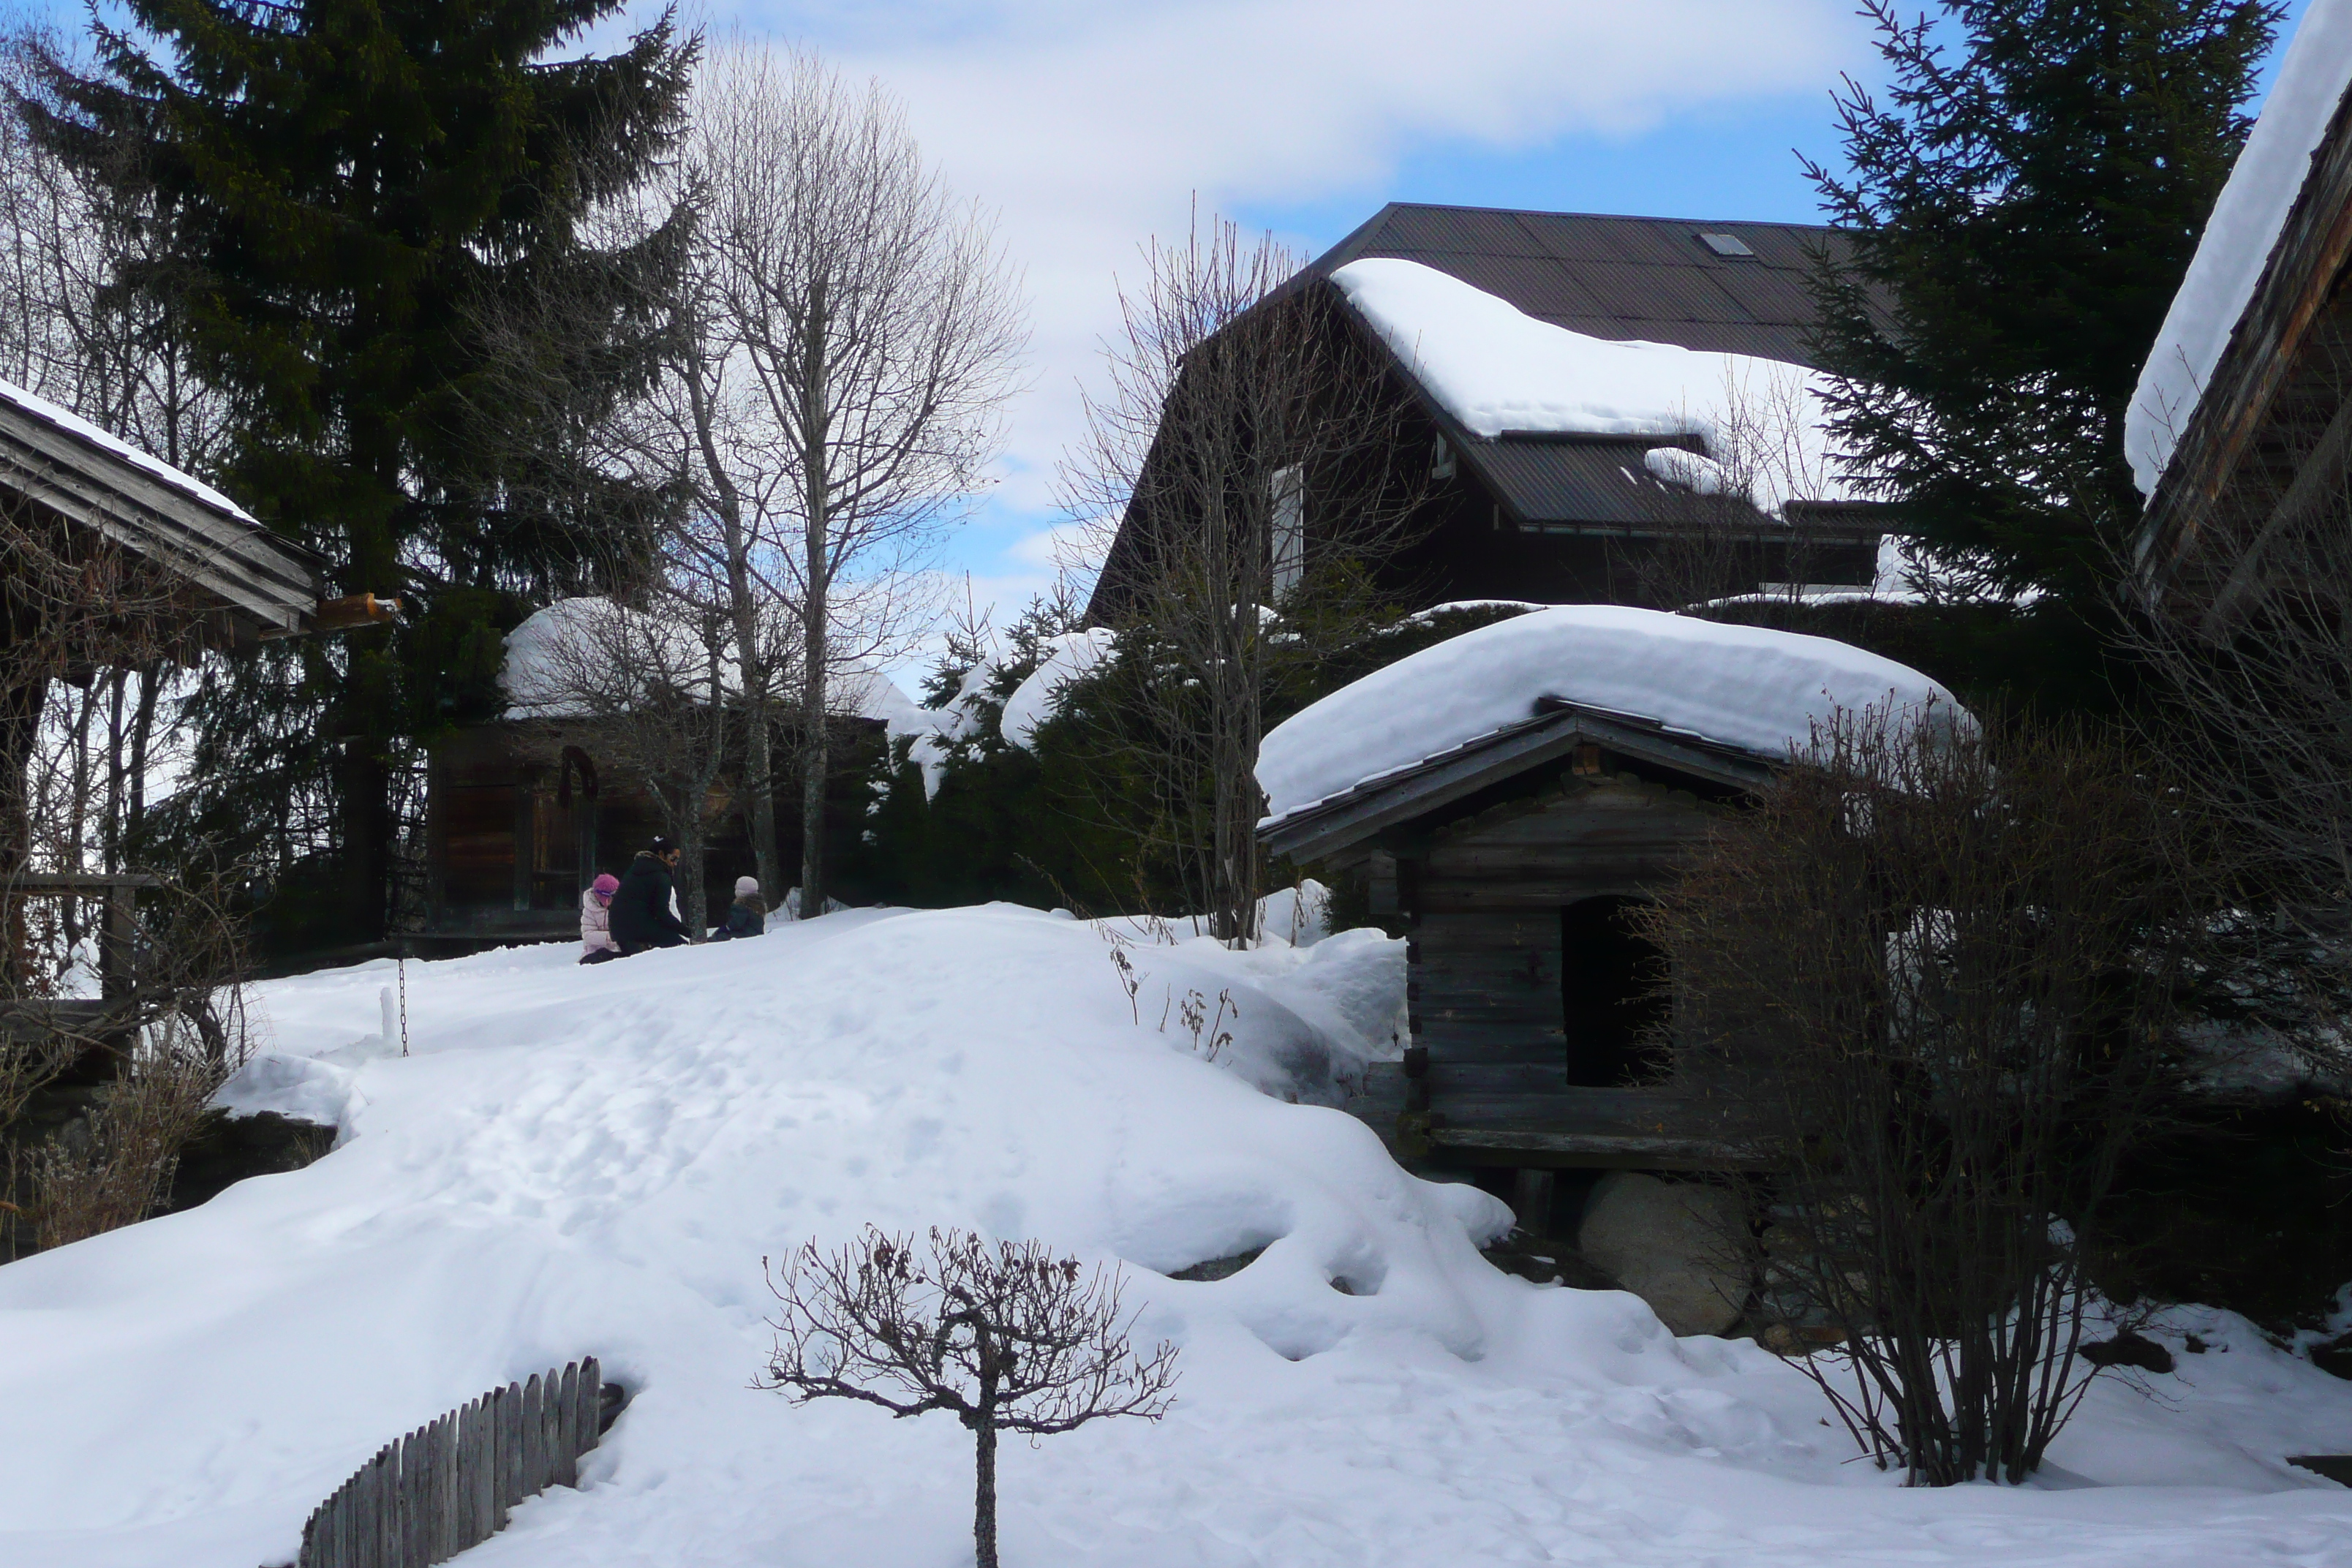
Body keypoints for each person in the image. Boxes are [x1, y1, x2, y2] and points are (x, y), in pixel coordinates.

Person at [610, 837, 692, 954]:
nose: (674, 864)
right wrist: (688, 932)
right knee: (680, 948)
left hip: (618, 929)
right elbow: (662, 914)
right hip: (637, 927)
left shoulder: (636, 868)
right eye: (673, 859)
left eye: (677, 861)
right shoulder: (661, 877)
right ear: (661, 854)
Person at [578, 872, 622, 965]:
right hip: (595, 951)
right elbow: (588, 935)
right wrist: (609, 937)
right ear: (603, 898)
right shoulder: (590, 911)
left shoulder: (618, 908)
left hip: (616, 949)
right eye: (612, 897)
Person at [709, 875, 766, 941]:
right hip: (756, 934)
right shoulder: (758, 904)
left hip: (745, 935)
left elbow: (736, 924)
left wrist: (724, 929)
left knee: (721, 937)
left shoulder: (742, 906)